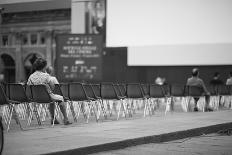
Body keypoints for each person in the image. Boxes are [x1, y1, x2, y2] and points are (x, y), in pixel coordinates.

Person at [27, 58, 71, 125]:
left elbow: (28, 88)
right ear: (44, 67)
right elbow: (52, 87)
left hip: (35, 98)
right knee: (60, 98)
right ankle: (65, 119)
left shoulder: (31, 76)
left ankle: (53, 119)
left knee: (52, 100)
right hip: (48, 97)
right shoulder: (46, 76)